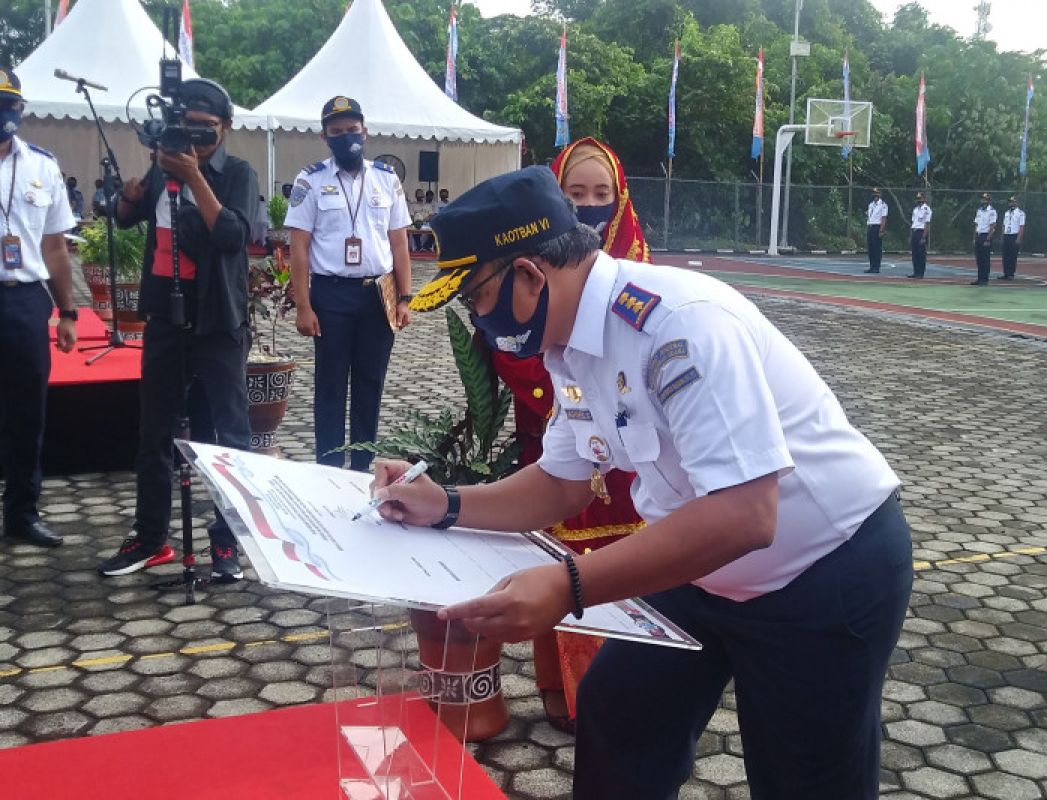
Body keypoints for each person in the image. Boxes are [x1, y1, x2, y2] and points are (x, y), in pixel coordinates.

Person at [387, 166, 913, 799]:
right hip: (702, 567)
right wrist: (441, 504)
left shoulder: (677, 326)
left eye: (475, 296)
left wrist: (568, 585)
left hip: (822, 571)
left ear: (528, 275)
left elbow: (746, 513)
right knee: (620, 713)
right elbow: (561, 483)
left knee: (803, 776)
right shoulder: (571, 340)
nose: (477, 317)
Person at [490, 137, 650, 731]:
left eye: (601, 195)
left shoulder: (647, 287)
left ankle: (620, 695)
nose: (589, 206)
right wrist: (566, 393)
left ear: (621, 199)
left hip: (636, 466)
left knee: (628, 567)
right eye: (575, 194)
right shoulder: (528, 278)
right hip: (553, 440)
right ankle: (562, 691)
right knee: (558, 561)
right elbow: (514, 353)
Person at [98, 78, 258, 580]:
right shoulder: (162, 166)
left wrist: (194, 178)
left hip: (218, 318)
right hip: (166, 317)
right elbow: (126, 219)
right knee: (154, 432)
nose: (197, 139)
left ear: (226, 127)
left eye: (207, 130)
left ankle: (228, 540)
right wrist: (127, 198)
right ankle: (150, 538)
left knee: (230, 436)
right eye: (189, 129)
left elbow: (233, 235)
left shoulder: (237, 173)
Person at [286, 96, 413, 472]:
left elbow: (400, 243)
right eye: (337, 132)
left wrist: (405, 298)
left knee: (370, 385)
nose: (346, 138)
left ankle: (362, 470)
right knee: (330, 386)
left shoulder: (387, 180)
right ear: (325, 137)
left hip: (379, 293)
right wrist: (304, 306)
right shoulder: (310, 180)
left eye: (352, 130)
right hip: (330, 295)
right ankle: (327, 469)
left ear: (366, 132)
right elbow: (299, 248)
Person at [0, 68, 79, 549]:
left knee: (28, 412)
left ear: (21, 110)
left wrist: (67, 310)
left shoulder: (42, 166)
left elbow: (54, 247)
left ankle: (22, 513)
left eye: (7, 104)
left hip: (26, 301)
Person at [969, 192, 997, 285]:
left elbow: (992, 226)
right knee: (979, 258)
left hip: (986, 235)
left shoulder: (992, 211)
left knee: (985, 258)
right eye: (983, 199)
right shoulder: (979, 210)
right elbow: (976, 224)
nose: (984, 201)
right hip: (979, 235)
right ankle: (979, 278)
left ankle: (985, 279)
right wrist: (974, 237)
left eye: (986, 199)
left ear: (989, 201)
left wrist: (988, 239)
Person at [1000, 196, 1026, 280]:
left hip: (1014, 235)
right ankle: (1006, 273)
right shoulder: (1006, 213)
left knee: (1012, 256)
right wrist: (1002, 235)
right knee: (1005, 255)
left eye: (1014, 202)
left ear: (1017, 203)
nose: (1012, 203)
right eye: (1011, 202)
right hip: (1007, 235)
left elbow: (1021, 227)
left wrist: (1018, 238)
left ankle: (1011, 274)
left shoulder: (1021, 213)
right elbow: (1004, 225)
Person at [908, 191, 931, 278]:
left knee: (921, 254)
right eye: (918, 199)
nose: (919, 200)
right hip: (915, 231)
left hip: (921, 232)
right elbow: (913, 223)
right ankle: (915, 272)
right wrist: (911, 235)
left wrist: (924, 237)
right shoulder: (915, 209)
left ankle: (920, 273)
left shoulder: (927, 209)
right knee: (915, 253)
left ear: (924, 199)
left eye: (920, 198)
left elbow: (927, 224)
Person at [864, 187, 887, 273]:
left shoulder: (883, 205)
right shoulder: (871, 204)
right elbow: (869, 217)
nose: (875, 195)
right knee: (871, 248)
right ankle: (872, 266)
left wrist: (881, 230)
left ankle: (876, 267)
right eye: (874, 193)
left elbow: (883, 218)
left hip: (877, 227)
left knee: (877, 248)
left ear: (880, 194)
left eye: (877, 193)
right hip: (870, 226)